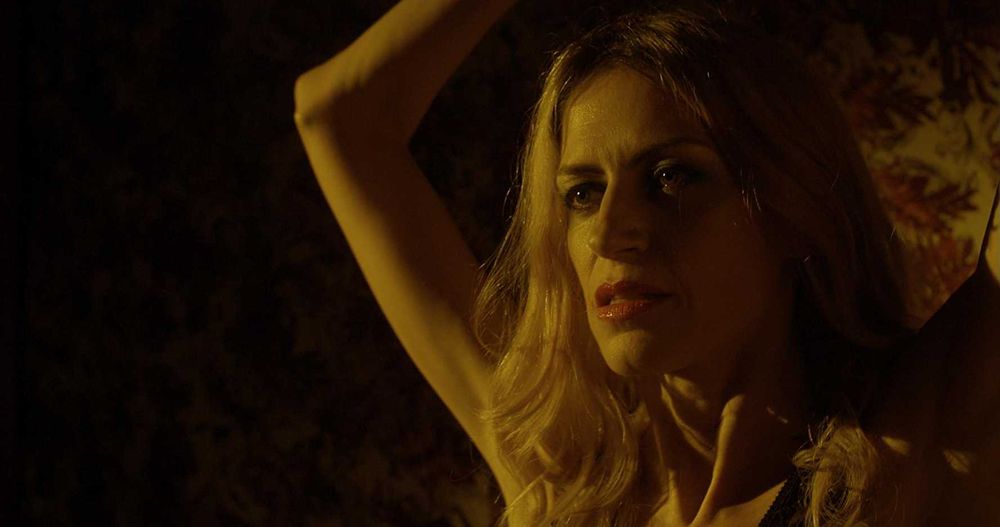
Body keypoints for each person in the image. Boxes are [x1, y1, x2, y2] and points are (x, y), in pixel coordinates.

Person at [293, 1, 1000, 525]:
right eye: (582, 192)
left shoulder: (901, 460)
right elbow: (337, 116)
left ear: (793, 210)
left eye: (671, 177)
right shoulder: (560, 490)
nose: (610, 232)